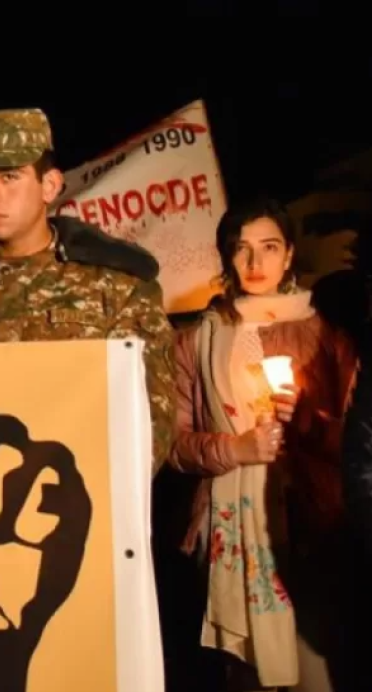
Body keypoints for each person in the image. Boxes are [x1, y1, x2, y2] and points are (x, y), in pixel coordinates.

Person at [0, 107, 175, 474]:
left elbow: (152, 418)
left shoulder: (117, 287)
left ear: (49, 185)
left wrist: (91, 490)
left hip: (71, 493)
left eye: (9, 176)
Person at [169, 198, 356, 692]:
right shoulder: (197, 339)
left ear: (289, 254)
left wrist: (310, 422)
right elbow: (173, 444)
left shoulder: (324, 332)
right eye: (242, 248)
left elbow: (357, 440)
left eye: (269, 247)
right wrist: (235, 449)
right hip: (226, 528)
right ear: (226, 256)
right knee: (244, 675)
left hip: (308, 525)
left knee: (315, 668)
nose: (255, 263)